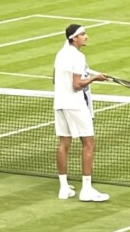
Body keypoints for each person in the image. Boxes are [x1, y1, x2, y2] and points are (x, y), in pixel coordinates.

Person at [53, 24, 110, 202]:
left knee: (63, 143)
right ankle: (86, 189)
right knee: (88, 143)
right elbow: (77, 85)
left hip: (60, 103)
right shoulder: (78, 57)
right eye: (83, 34)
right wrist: (95, 78)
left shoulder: (60, 54)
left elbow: (54, 79)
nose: (86, 37)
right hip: (75, 105)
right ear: (73, 38)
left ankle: (64, 188)